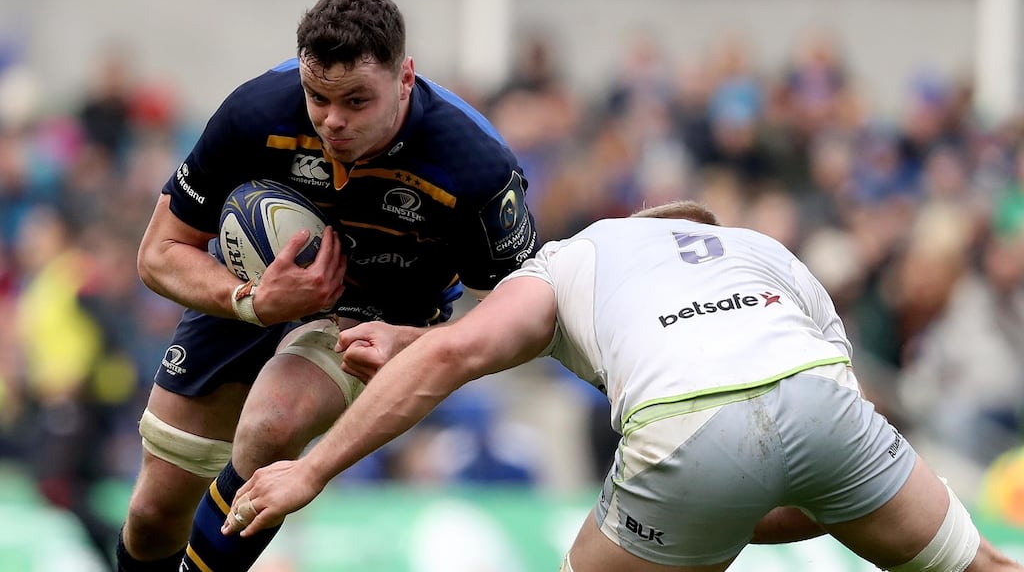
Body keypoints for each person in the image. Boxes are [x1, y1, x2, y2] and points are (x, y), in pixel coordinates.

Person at [223, 200, 1023, 572]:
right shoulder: (766, 254)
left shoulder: (580, 253)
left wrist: (311, 467)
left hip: (685, 427)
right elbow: (821, 472)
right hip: (820, 397)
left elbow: (458, 355)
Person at [118, 0, 538, 570]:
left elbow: (525, 314)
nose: (333, 120)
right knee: (151, 518)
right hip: (253, 286)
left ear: (404, 78)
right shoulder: (256, 113)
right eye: (318, 98)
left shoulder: (476, 164)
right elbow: (158, 254)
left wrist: (409, 345)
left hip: (379, 312)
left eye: (356, 100)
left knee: (273, 423)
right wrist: (249, 300)